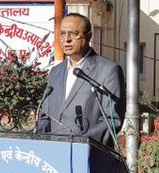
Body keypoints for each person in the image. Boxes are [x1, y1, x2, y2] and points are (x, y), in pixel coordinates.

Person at [35, 13, 124, 148]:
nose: (67, 39)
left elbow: (112, 120)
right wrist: (39, 137)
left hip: (87, 154)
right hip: (52, 154)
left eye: (73, 33)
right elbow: (45, 116)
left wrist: (82, 143)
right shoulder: (55, 72)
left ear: (89, 35)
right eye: (63, 34)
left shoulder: (108, 70)